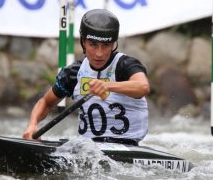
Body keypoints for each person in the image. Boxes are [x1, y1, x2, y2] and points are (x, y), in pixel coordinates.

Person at [23, 9, 150, 145]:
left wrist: (107, 85)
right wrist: (32, 124)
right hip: (88, 151)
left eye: (105, 45)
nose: (99, 53)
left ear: (113, 44)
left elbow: (143, 87)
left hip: (127, 147)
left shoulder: (124, 65)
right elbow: (46, 102)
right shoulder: (74, 73)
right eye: (93, 45)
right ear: (83, 42)